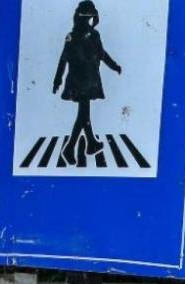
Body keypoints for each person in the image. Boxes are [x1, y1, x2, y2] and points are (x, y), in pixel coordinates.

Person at [53, 0, 122, 166]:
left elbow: (102, 54)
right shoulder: (72, 36)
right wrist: (58, 79)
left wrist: (114, 66)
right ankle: (72, 147)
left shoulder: (93, 35)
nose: (87, 21)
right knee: (83, 114)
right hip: (79, 80)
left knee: (84, 114)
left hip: (90, 79)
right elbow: (64, 59)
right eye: (85, 18)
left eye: (89, 18)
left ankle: (90, 143)